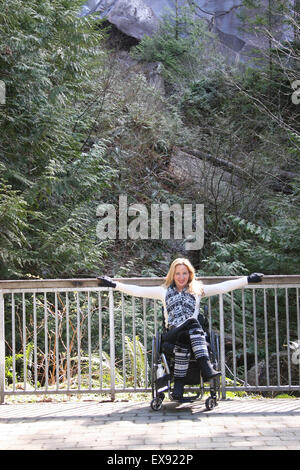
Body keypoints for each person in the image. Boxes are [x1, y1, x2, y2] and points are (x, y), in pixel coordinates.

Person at [98, 258, 263, 400]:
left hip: (189, 337)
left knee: (187, 333)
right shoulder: (163, 291)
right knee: (192, 322)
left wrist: (247, 279)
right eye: (178, 273)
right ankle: (206, 367)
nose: (181, 277)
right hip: (172, 333)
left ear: (190, 274)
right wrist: (114, 284)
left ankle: (178, 386)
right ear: (173, 275)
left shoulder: (197, 290)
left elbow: (223, 287)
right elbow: (137, 290)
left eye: (184, 273)